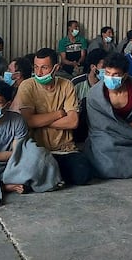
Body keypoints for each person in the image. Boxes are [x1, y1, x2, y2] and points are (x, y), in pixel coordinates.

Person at [13, 47, 92, 185]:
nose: (38, 72)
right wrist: (58, 114)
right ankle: (52, 175)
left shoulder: (66, 85)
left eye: (44, 67)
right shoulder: (27, 86)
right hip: (37, 150)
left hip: (64, 149)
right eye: (36, 67)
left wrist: (41, 119)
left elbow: (73, 122)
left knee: (83, 174)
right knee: (30, 171)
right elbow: (29, 121)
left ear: (56, 68)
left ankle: (51, 175)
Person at [84, 53, 132, 179]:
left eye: (115, 75)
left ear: (125, 75)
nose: (110, 78)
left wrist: (131, 129)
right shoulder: (95, 95)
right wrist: (128, 128)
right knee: (105, 155)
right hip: (107, 137)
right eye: (108, 73)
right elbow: (99, 126)